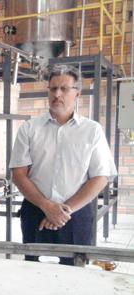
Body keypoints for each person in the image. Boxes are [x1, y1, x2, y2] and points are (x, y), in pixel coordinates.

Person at [9, 64, 117, 265]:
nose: (57, 94)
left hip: (75, 215)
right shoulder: (30, 129)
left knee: (74, 276)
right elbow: (19, 175)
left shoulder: (92, 131)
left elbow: (100, 177)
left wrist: (62, 211)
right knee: (32, 273)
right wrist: (47, 206)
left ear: (77, 93)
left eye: (64, 89)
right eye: (53, 89)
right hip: (35, 212)